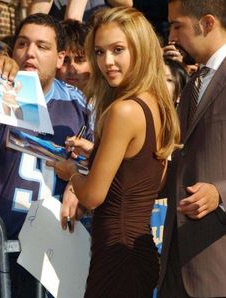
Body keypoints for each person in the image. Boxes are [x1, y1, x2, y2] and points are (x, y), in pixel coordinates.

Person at [48, 6, 180, 297]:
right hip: (138, 251)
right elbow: (143, 174)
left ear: (141, 50)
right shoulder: (154, 104)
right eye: (99, 52)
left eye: (118, 49)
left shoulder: (123, 110)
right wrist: (98, 152)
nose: (107, 61)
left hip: (117, 256)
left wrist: (72, 173)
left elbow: (93, 195)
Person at [0, 13, 92, 297]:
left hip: (53, 249)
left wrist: (79, 181)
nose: (30, 53)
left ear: (60, 58)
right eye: (22, 44)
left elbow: (99, 165)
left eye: (42, 46)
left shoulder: (78, 104)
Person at [157, 1, 226, 297]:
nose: (171, 36)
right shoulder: (194, 83)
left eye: (178, 25)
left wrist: (220, 193)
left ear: (207, 23)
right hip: (176, 259)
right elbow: (181, 160)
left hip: (217, 262)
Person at [56, 19, 91, 93]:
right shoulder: (40, 101)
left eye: (80, 60)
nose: (72, 71)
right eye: (64, 61)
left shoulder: (109, 101)